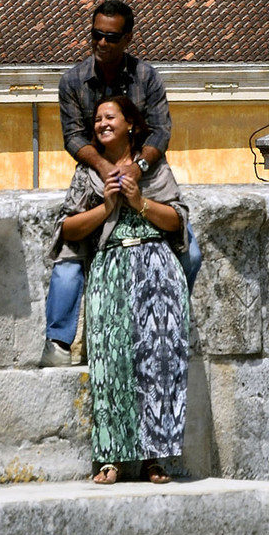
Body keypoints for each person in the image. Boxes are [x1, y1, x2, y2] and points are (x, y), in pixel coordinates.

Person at [46, 0, 200, 360]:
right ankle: (58, 342)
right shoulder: (73, 80)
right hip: (94, 178)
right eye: (96, 35)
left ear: (127, 38)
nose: (101, 43)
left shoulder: (146, 78)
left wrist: (137, 169)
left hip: (146, 174)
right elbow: (73, 136)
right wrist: (102, 168)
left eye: (110, 37)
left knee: (190, 253)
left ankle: (175, 316)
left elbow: (161, 132)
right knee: (69, 261)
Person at [57, 92, 189, 481]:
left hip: (157, 270)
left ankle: (154, 457)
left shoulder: (154, 168)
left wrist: (139, 200)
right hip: (110, 265)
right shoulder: (88, 174)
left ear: (130, 124)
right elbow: (66, 227)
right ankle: (110, 456)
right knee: (110, 360)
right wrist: (107, 208)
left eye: (109, 117)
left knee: (160, 360)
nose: (101, 124)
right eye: (97, 120)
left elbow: (177, 221)